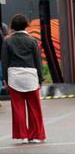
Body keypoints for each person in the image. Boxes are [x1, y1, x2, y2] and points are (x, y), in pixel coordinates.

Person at [1, 14, 46, 143]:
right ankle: (36, 135)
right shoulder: (32, 40)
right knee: (34, 107)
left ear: (13, 26)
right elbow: (38, 60)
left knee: (18, 108)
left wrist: (5, 80)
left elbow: (5, 62)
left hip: (14, 76)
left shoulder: (7, 41)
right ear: (26, 25)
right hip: (31, 76)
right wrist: (41, 79)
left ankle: (23, 136)